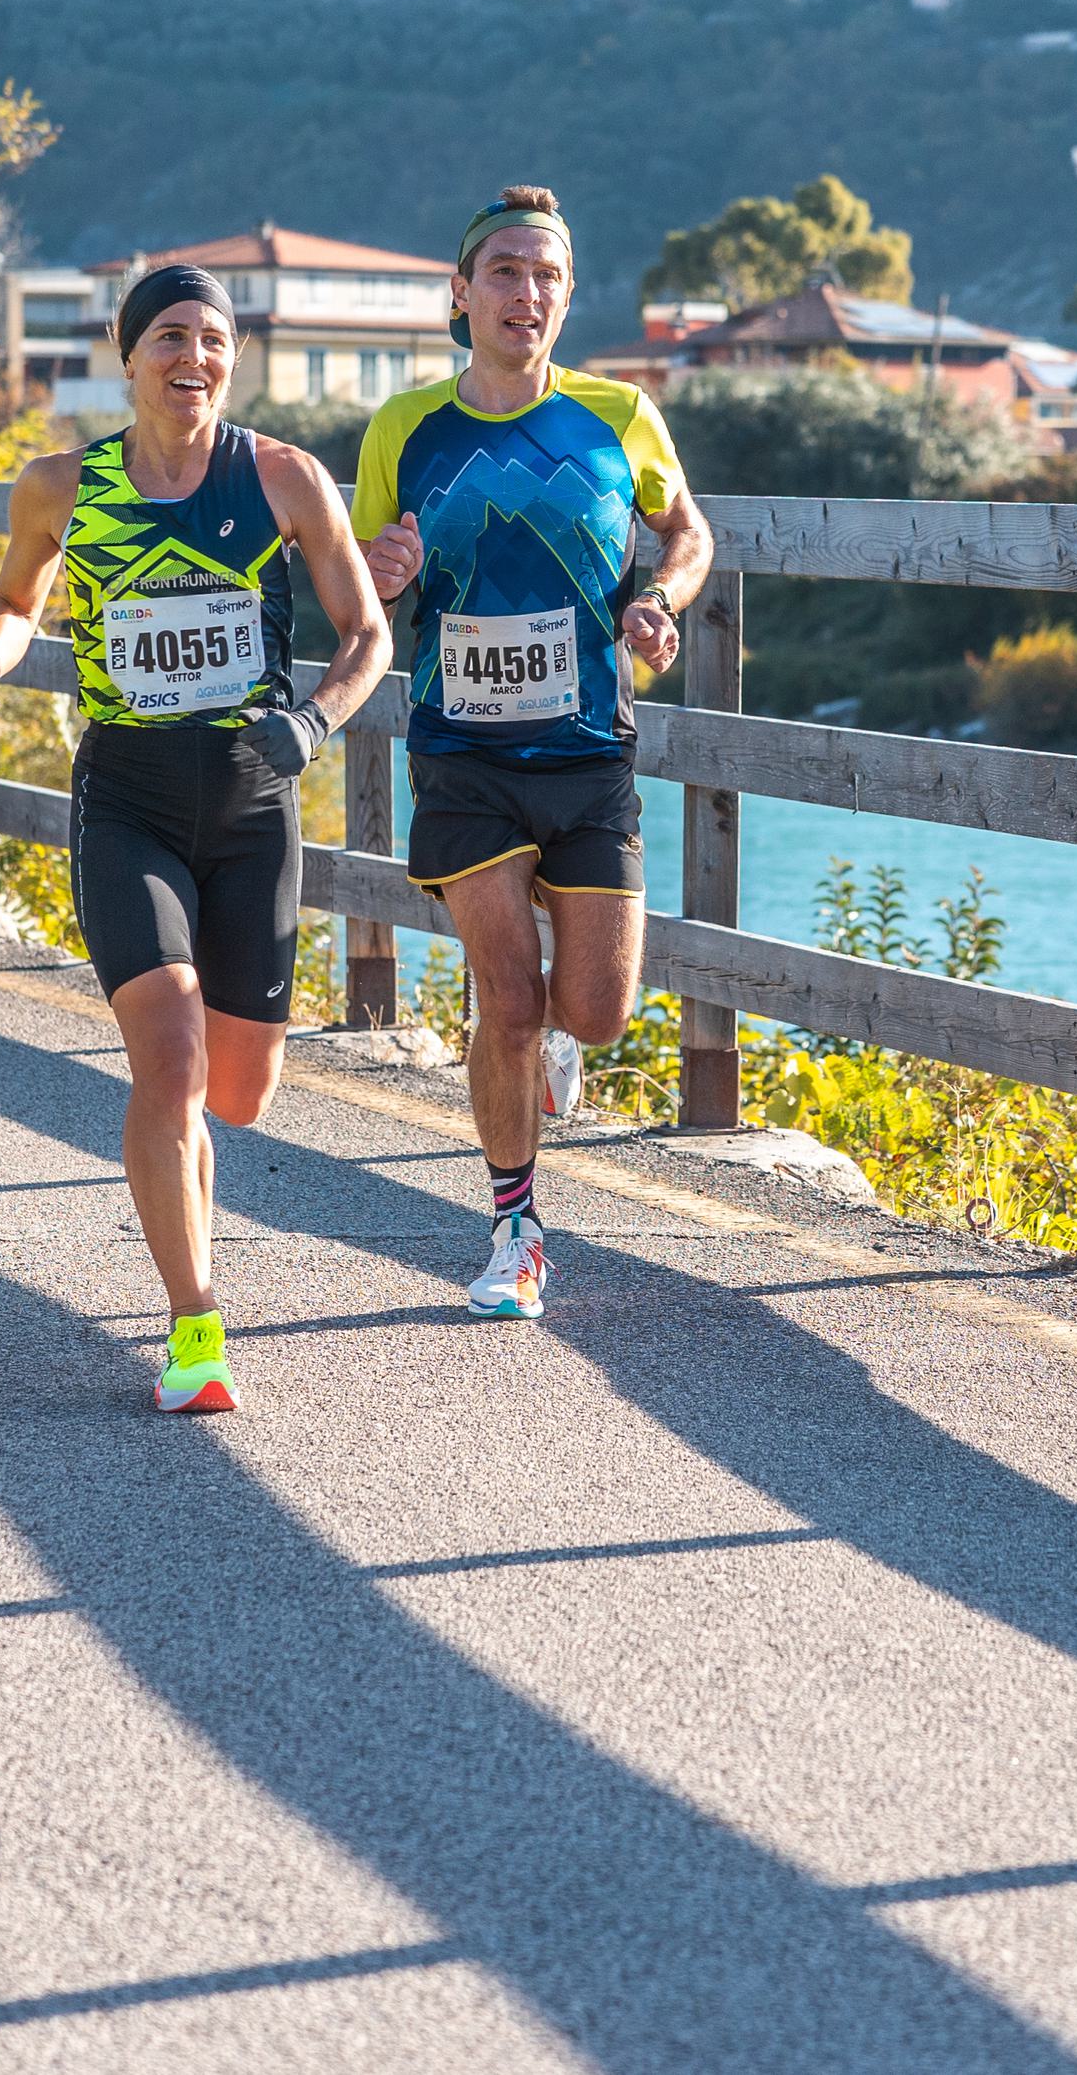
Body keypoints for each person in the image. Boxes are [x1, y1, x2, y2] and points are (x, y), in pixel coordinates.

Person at [0, 267, 389, 1412]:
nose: (195, 357)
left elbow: (366, 634)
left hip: (254, 801)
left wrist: (313, 721)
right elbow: (16, 598)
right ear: (127, 354)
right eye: (173, 338)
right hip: (128, 802)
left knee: (236, 1093)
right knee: (171, 1062)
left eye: (215, 341)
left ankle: (188, 1178)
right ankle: (196, 1327)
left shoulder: (282, 477)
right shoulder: (58, 486)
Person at [352, 185, 711, 1322]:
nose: (528, 292)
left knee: (594, 1011)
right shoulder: (403, 429)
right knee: (506, 1000)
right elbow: (357, 571)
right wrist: (381, 572)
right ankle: (515, 1226)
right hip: (461, 753)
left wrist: (662, 599)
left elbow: (686, 530)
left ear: (565, 295)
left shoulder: (618, 414)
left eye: (547, 274)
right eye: (505, 271)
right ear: (461, 294)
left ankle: (561, 1036)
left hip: (588, 753)